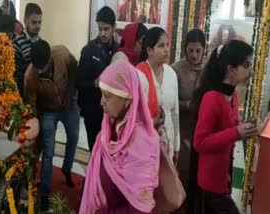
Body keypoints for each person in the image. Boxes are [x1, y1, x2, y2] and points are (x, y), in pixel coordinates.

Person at [80, 60, 160, 213]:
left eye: (108, 96)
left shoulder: (142, 143)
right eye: (102, 94)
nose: (102, 102)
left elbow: (140, 209)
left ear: (127, 99)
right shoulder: (108, 132)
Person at [192, 40, 257, 214]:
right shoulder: (212, 98)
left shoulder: (233, 96)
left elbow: (230, 130)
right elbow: (200, 142)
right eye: (246, 65)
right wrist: (236, 132)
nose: (250, 71)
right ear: (231, 69)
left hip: (224, 179)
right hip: (210, 184)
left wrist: (244, 128)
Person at [24, 40, 79, 211]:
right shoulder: (30, 77)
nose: (42, 73)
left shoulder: (62, 53)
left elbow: (74, 69)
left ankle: (67, 169)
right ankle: (45, 193)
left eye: (44, 69)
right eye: (38, 71)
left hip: (69, 105)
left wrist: (70, 95)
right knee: (48, 150)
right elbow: (31, 106)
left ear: (49, 58)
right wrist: (36, 125)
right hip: (48, 111)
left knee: (74, 137)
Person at [78, 6, 119, 152]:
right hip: (93, 111)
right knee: (95, 151)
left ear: (114, 27)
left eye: (106, 29)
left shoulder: (119, 51)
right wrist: (96, 82)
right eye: (100, 29)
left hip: (114, 112)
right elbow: (80, 83)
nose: (102, 33)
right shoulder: (88, 50)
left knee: (111, 152)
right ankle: (92, 174)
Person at [137, 27, 180, 164]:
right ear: (149, 50)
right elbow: (134, 116)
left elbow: (174, 113)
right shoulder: (139, 75)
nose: (166, 49)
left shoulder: (171, 74)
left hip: (168, 143)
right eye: (161, 46)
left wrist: (177, 144)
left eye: (167, 44)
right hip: (145, 144)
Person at [171, 28, 206, 193]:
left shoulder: (208, 70)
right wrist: (187, 105)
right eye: (190, 50)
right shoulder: (176, 70)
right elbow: (169, 103)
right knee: (183, 172)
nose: (194, 55)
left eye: (198, 51)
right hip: (182, 129)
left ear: (204, 49)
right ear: (185, 49)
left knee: (200, 173)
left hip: (203, 129)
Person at [13, 3, 42, 96]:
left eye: (39, 22)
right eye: (34, 22)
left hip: (39, 94)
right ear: (25, 21)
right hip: (24, 94)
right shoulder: (17, 44)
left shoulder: (40, 41)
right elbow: (15, 77)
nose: (38, 26)